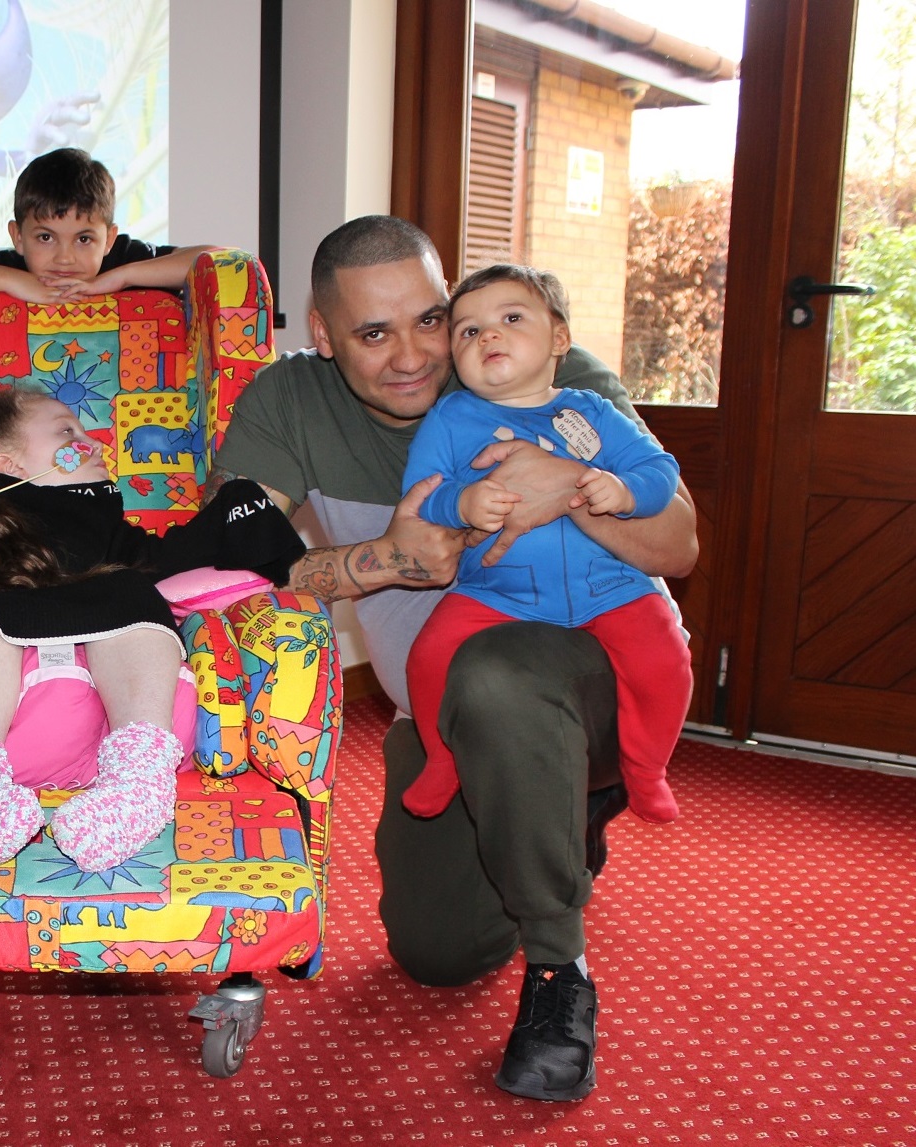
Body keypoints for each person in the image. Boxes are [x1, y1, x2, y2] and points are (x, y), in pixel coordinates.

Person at [212, 217, 697, 1102]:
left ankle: (559, 972)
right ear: (321, 337)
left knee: (497, 670)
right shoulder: (288, 401)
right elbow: (222, 554)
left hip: (597, 681)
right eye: (371, 333)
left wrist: (569, 489)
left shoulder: (557, 377)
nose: (415, 355)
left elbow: (679, 546)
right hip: (434, 714)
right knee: (436, 953)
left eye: (431, 319)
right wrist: (378, 560)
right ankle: (555, 814)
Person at [0, 387, 304, 873]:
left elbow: (171, 557)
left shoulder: (102, 525)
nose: (93, 442)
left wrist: (241, 508)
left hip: (112, 649)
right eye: (67, 431)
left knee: (131, 592)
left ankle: (137, 779)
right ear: (9, 464)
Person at [402, 263, 691, 827]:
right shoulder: (451, 417)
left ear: (559, 338)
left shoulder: (592, 412)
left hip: (608, 587)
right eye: (468, 330)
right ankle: (442, 759)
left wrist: (625, 490)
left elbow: (658, 470)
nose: (488, 335)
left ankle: (647, 767)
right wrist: (461, 504)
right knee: (430, 655)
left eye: (511, 318)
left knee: (666, 658)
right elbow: (421, 495)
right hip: (500, 589)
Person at [0, 147, 215, 303]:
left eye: (84, 239)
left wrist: (121, 278)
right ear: (18, 237)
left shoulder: (124, 260)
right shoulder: (13, 270)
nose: (65, 258)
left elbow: (221, 261)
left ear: (109, 239)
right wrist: (12, 282)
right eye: (46, 237)